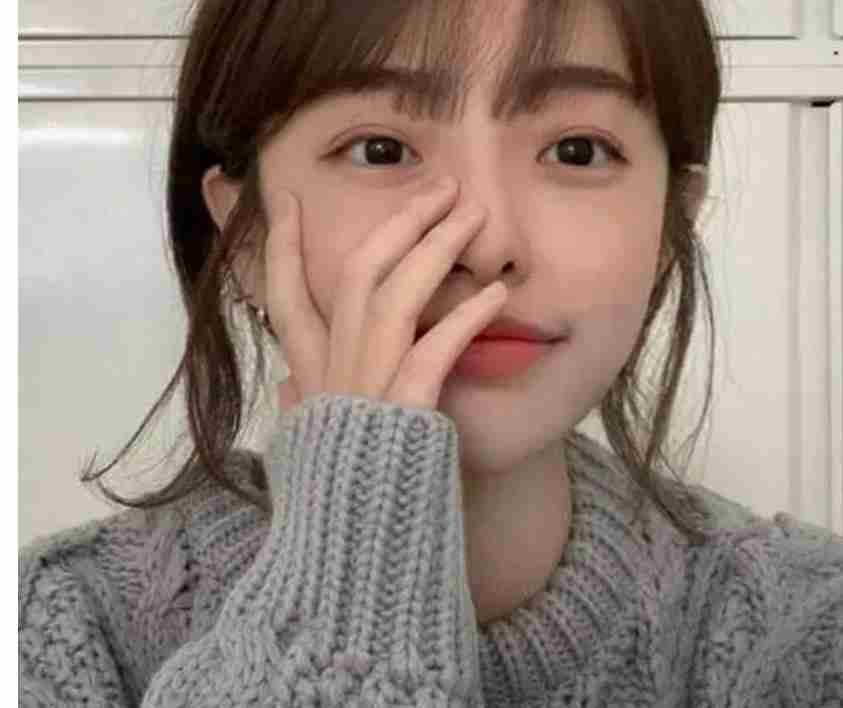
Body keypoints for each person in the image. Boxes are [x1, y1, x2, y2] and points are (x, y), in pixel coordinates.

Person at [19, 0, 843, 705]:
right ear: (244, 236)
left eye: (577, 151)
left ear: (669, 227)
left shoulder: (808, 631)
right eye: (379, 150)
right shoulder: (54, 629)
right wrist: (348, 577)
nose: (486, 246)